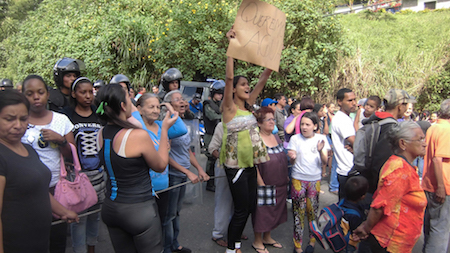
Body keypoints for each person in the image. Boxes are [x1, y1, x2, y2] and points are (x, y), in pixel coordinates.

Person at [95, 83, 177, 253]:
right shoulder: (137, 136)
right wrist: (164, 130)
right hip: (138, 210)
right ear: (123, 106)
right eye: (129, 101)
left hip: (111, 208)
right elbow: (161, 165)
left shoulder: (101, 133)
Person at [0, 89, 78, 253]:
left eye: (23, 119)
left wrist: (62, 211)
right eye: (9, 119)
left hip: (38, 242)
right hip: (14, 244)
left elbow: (38, 190)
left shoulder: (28, 149)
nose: (18, 125)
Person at [221, 27, 273, 253]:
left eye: (247, 85)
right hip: (235, 167)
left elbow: (263, 78)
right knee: (242, 209)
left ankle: (237, 242)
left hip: (250, 164)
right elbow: (229, 77)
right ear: (234, 89)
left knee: (250, 207)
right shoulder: (229, 107)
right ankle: (232, 248)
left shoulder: (249, 105)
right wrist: (232, 48)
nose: (247, 87)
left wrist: (272, 58)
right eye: (243, 85)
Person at [353, 121, 427, 253]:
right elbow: (380, 206)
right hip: (391, 242)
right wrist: (366, 228)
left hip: (398, 242)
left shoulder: (403, 166)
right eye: (420, 139)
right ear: (403, 143)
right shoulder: (400, 171)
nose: (424, 143)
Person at [21, 75, 75, 253]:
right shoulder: (17, 122)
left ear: (47, 94)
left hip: (56, 188)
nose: (36, 97)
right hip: (25, 191)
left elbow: (71, 156)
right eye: (30, 93)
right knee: (32, 239)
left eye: (40, 92)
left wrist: (60, 141)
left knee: (57, 240)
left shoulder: (61, 120)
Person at [60, 77, 106, 253]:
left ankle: (92, 248)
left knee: (94, 215)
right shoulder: (66, 114)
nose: (88, 96)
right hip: (77, 175)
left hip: (98, 172)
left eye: (90, 92)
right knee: (78, 218)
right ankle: (79, 250)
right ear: (74, 94)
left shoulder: (98, 113)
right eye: (83, 92)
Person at [163, 90, 210, 253]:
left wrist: (199, 169)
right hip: (172, 175)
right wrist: (187, 172)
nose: (183, 102)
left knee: (176, 212)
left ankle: (175, 244)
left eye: (183, 99)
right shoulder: (167, 123)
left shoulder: (181, 124)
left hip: (182, 175)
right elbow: (164, 156)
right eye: (177, 100)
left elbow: (187, 151)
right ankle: (167, 248)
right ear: (169, 105)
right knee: (169, 215)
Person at [134, 93, 186, 227]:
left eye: (158, 107)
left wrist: (170, 109)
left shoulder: (161, 126)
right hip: (146, 189)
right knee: (147, 227)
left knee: (162, 223)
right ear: (139, 109)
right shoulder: (139, 128)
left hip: (164, 185)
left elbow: (181, 129)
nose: (156, 110)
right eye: (151, 107)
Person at [357, 89, 416, 196]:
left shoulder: (376, 120)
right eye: (406, 104)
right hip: (376, 189)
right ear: (400, 106)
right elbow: (382, 163)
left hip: (365, 179)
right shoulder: (391, 128)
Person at [287, 112, 330, 253]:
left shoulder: (321, 139)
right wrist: (292, 157)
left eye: (308, 124)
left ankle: (312, 241)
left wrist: (320, 151)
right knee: (298, 213)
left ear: (315, 126)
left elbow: (324, 162)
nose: (304, 127)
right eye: (302, 124)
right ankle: (297, 245)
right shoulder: (295, 138)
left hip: (314, 180)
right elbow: (292, 160)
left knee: (312, 212)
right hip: (297, 179)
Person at [252, 107, 289, 253]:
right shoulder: (256, 139)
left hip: (279, 182)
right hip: (264, 183)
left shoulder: (275, 136)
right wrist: (260, 183)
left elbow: (281, 157)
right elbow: (253, 164)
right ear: (259, 123)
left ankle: (267, 237)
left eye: (273, 119)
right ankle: (257, 241)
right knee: (263, 212)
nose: (272, 122)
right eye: (269, 119)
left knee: (275, 210)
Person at [422, 99, 450, 253]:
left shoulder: (434, 127)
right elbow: (437, 158)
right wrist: (441, 187)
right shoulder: (447, 130)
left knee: (431, 227)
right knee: (440, 230)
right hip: (442, 187)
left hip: (430, 184)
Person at [331, 88, 356, 199]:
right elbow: (356, 142)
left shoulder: (347, 118)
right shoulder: (342, 120)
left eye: (354, 100)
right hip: (348, 169)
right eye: (349, 100)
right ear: (340, 102)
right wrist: (356, 147)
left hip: (348, 169)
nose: (354, 103)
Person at [203, 80, 225, 192]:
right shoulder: (207, 104)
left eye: (221, 94)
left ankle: (214, 181)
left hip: (219, 134)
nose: (220, 96)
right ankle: (209, 183)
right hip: (210, 135)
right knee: (211, 159)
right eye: (218, 93)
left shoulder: (220, 104)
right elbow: (212, 116)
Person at [340, 176, 369, 253]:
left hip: (340, 237)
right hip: (350, 243)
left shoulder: (342, 202)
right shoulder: (355, 215)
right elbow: (356, 230)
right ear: (363, 197)